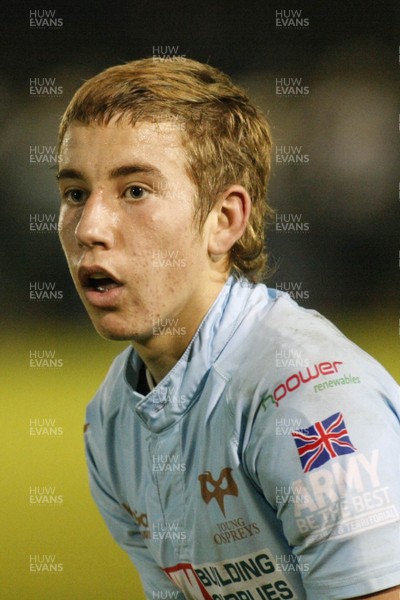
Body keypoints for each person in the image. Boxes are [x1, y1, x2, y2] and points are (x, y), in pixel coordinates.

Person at [57, 57, 400, 600]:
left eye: (135, 191)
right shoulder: (111, 421)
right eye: (76, 193)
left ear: (224, 219)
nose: (90, 227)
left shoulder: (306, 396)